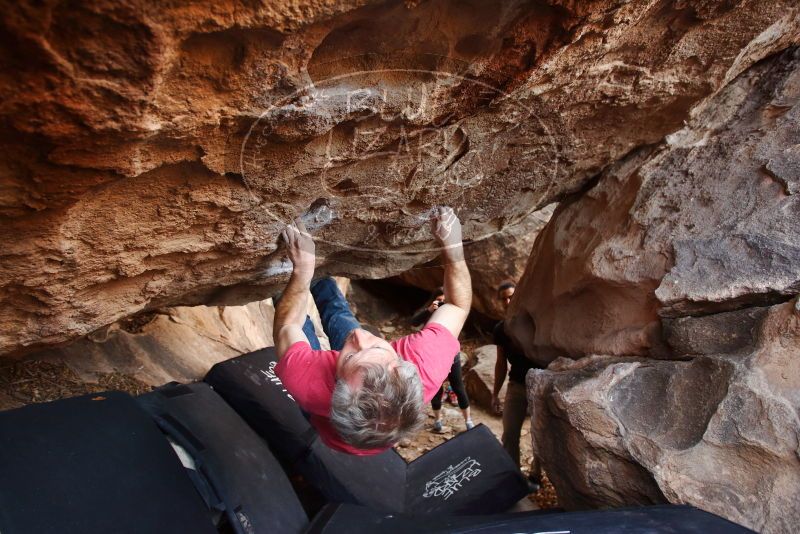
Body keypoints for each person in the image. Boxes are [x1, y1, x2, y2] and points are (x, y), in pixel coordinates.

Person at [273, 207, 472, 455]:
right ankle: (319, 275)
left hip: (327, 419)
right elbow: (457, 305)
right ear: (399, 367)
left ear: (337, 387)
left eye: (349, 355)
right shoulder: (426, 362)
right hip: (356, 410)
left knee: (298, 319)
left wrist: (300, 272)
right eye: (377, 346)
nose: (358, 337)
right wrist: (454, 251)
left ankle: (287, 273)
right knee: (339, 315)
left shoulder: (306, 383)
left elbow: (287, 325)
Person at [491, 281, 543, 489]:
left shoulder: (534, 322)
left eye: (511, 296)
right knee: (510, 432)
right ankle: (513, 478)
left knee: (539, 434)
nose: (508, 301)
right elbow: (500, 363)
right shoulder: (500, 329)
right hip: (517, 385)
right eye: (503, 298)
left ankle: (536, 476)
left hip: (540, 384)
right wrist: (495, 394)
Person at [411, 288, 473, 432]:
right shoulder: (429, 313)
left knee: (458, 387)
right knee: (436, 388)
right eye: (439, 301)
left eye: (445, 302)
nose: (441, 305)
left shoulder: (452, 315)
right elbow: (414, 322)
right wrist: (429, 311)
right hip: (432, 357)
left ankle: (468, 421)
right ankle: (438, 420)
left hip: (452, 355)